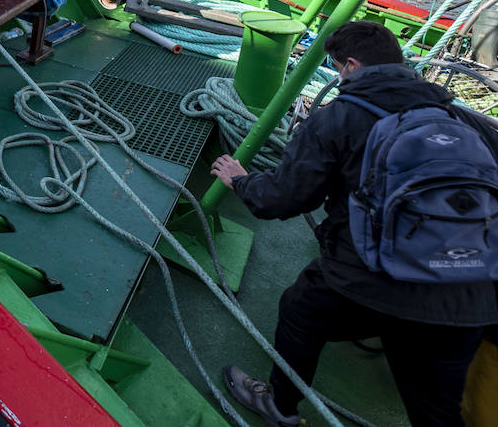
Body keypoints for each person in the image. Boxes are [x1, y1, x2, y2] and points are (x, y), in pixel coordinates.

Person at [212, 21, 498, 427]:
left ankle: (280, 406)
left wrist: (241, 180)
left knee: (299, 311)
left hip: (370, 280)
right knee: (436, 410)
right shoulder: (463, 121)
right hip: (468, 295)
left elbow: (282, 199)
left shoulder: (337, 118)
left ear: (348, 66)